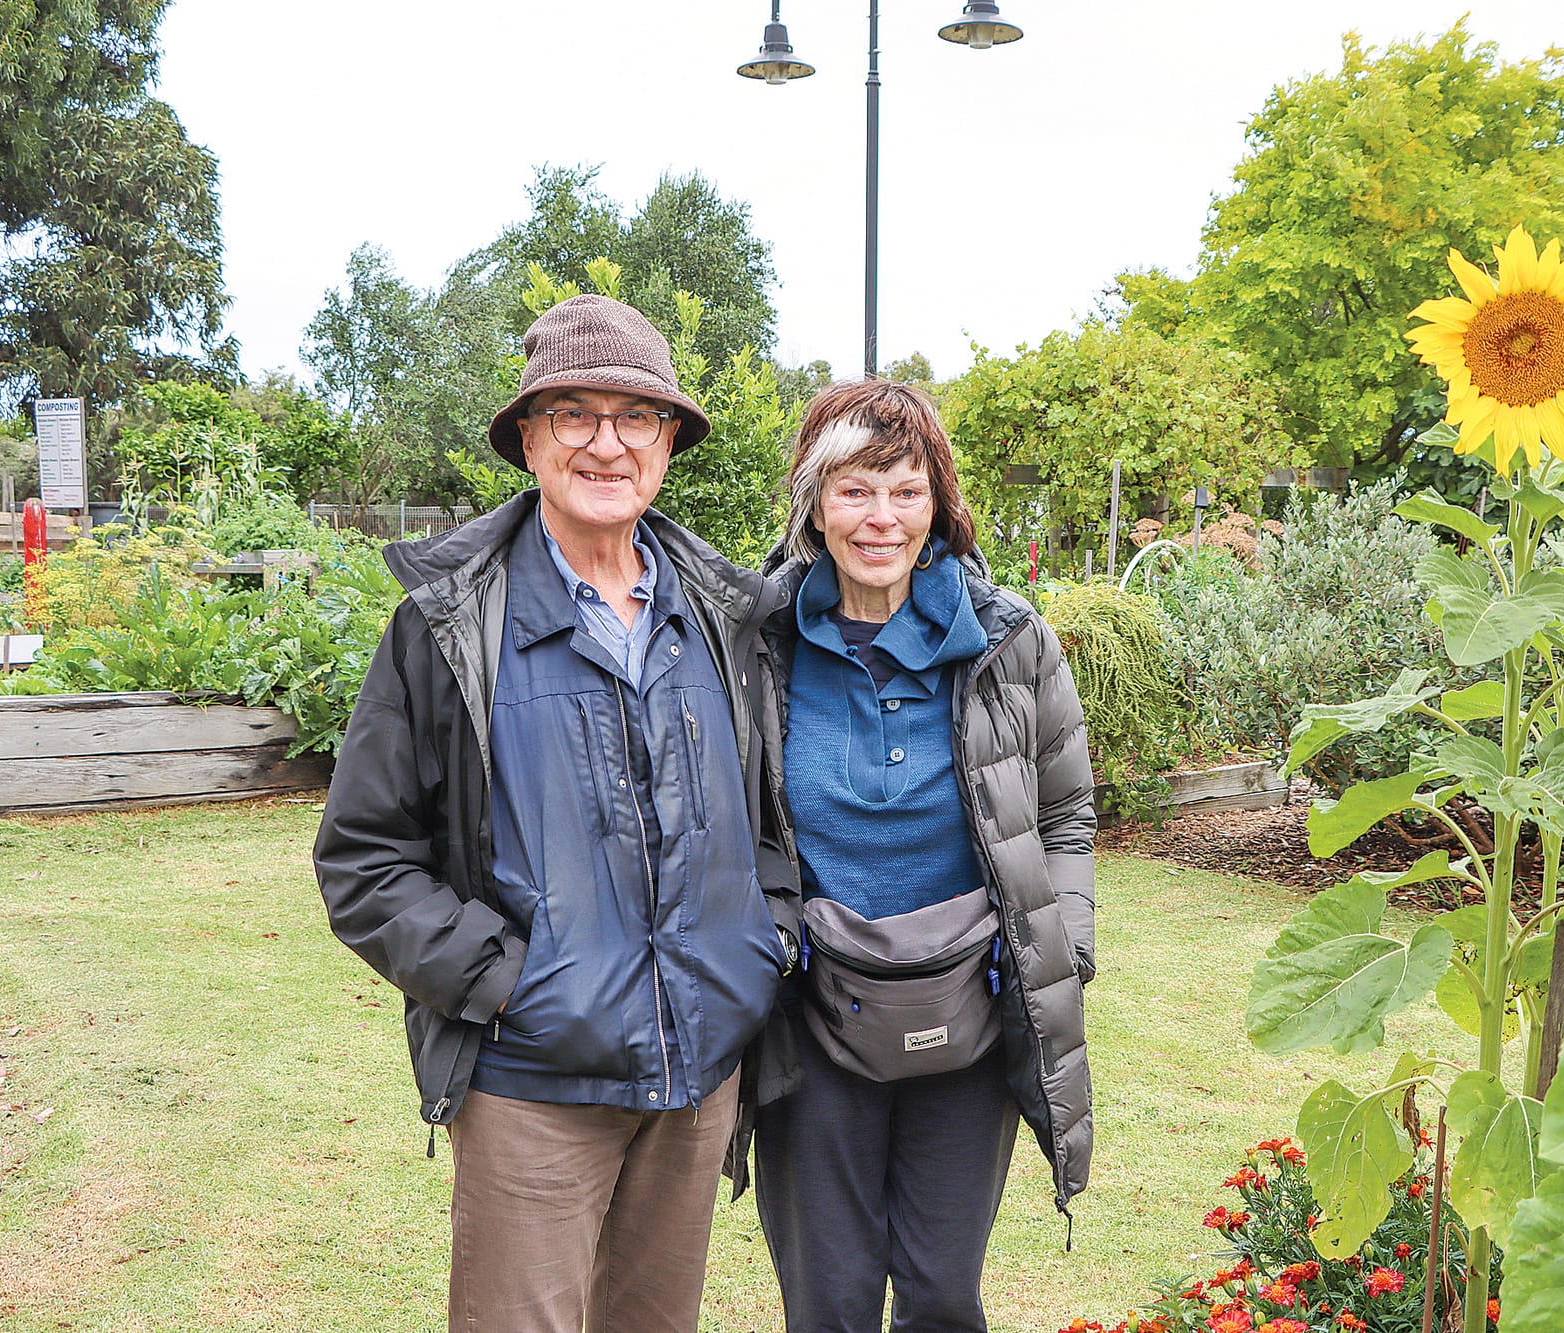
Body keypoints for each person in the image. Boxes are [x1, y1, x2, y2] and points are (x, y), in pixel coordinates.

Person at [313, 294, 800, 1333]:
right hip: (532, 1082)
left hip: (695, 1074)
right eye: (573, 414)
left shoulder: (722, 614)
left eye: (635, 417)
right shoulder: (445, 627)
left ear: (667, 440)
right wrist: (501, 983)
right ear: (528, 438)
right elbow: (363, 860)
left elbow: (765, 820)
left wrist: (761, 943)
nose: (605, 443)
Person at [754, 379, 1096, 1333]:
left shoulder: (1012, 641)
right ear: (813, 501)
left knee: (944, 1295)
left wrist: (1064, 949)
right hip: (812, 1014)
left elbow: (1066, 814)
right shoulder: (758, 639)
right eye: (855, 489)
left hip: (970, 1014)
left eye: (906, 490)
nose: (881, 518)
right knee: (831, 1302)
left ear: (939, 501)